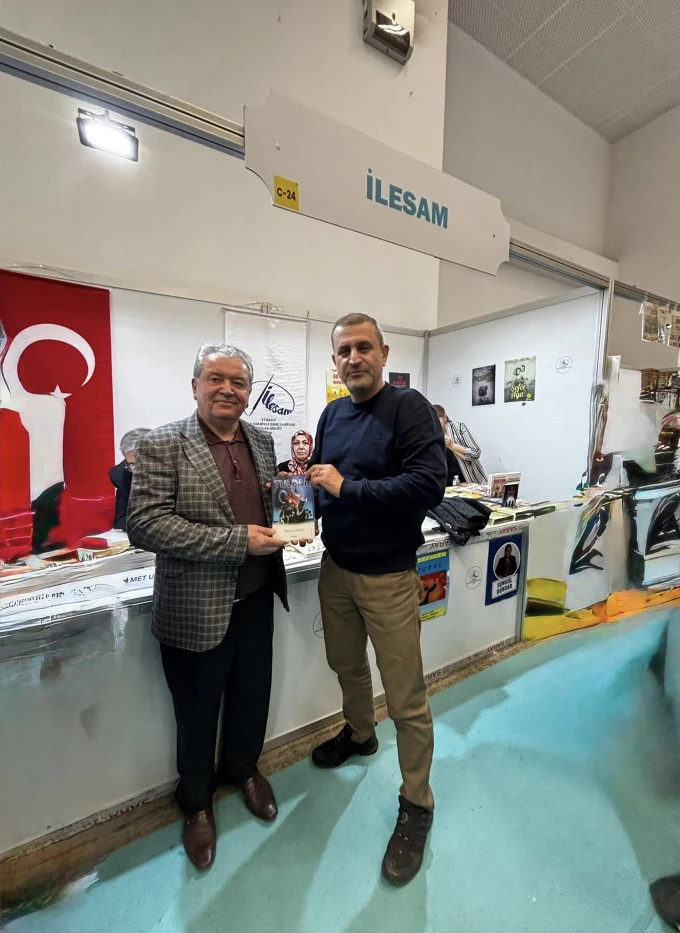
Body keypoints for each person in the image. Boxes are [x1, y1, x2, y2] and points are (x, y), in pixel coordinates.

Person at [127, 342, 288, 872]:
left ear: (249, 391)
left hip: (257, 598)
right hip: (194, 607)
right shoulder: (162, 443)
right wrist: (238, 542)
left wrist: (294, 524)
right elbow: (145, 525)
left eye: (238, 382)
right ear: (194, 385)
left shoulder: (261, 440)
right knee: (196, 713)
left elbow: (273, 506)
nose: (227, 390)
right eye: (216, 379)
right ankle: (196, 802)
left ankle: (243, 770)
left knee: (252, 697)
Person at [306, 312, 446, 887]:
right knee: (346, 666)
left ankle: (417, 802)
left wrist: (347, 488)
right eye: (344, 350)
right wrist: (300, 505)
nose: (354, 358)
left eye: (364, 347)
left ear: (384, 353)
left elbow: (428, 484)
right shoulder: (332, 414)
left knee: (407, 699)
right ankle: (361, 734)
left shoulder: (409, 408)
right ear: (334, 361)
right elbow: (322, 477)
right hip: (336, 568)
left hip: (388, 576)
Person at [432, 404, 487, 485]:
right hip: (445, 485)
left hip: (469, 482)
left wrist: (452, 445)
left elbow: (476, 453)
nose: (434, 424)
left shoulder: (459, 428)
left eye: (437, 420)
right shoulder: (430, 435)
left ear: (445, 418)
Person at [109, 428, 150, 531]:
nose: (138, 470)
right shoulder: (122, 475)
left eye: (142, 462)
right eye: (132, 464)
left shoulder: (179, 469)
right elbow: (121, 519)